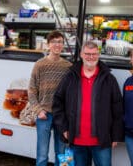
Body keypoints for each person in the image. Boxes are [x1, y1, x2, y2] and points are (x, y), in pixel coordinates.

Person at [52, 40, 124, 166]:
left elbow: (117, 107)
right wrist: (63, 128)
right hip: (75, 140)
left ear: (98, 55)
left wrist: (116, 135)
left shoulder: (108, 78)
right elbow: (58, 102)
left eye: (94, 54)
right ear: (81, 54)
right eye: (87, 54)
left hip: (101, 141)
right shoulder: (70, 76)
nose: (91, 57)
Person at [28, 30, 72, 166]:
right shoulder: (39, 65)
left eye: (60, 42)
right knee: (42, 154)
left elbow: (71, 92)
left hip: (61, 115)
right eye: (54, 42)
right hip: (44, 115)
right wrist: (38, 110)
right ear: (48, 45)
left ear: (63, 45)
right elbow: (31, 89)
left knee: (62, 152)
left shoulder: (68, 67)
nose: (57, 45)